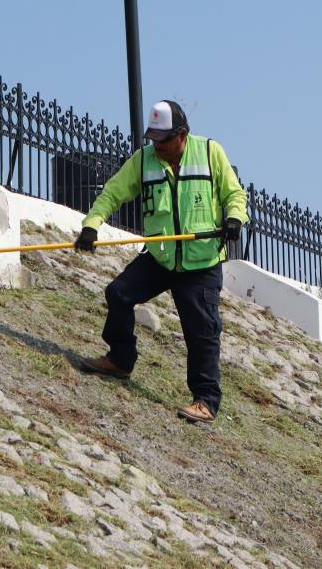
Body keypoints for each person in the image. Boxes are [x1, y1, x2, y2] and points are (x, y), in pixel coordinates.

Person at [74, 100, 248, 424]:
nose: (157, 146)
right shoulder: (144, 161)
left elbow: (234, 195)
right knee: (118, 294)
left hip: (201, 262)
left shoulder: (210, 152)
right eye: (153, 139)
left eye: (163, 140)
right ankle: (120, 360)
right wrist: (91, 225)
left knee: (202, 331)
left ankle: (206, 402)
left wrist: (235, 219)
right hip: (160, 255)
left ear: (182, 135)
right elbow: (112, 192)